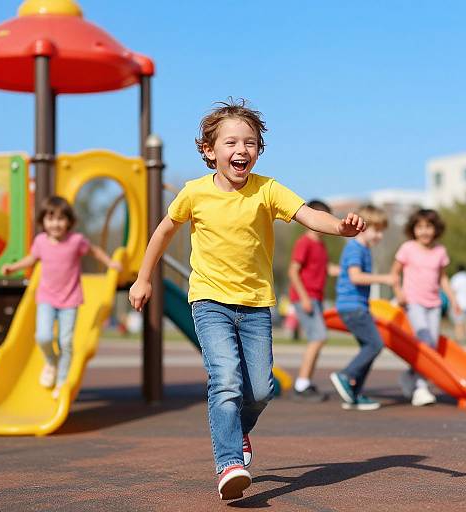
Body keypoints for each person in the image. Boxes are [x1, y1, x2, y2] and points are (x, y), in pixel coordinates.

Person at [128, 99, 365, 501]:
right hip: (209, 302)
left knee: (259, 390)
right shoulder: (194, 194)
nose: (242, 150)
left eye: (251, 143)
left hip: (255, 305)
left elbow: (309, 215)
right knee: (225, 381)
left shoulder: (267, 190)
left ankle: (238, 432)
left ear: (258, 150)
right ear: (209, 150)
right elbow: (164, 232)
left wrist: (341, 229)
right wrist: (142, 278)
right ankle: (229, 462)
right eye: (232, 142)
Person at [1, 196, 121, 399]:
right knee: (43, 336)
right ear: (43, 221)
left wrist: (110, 263)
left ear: (69, 222)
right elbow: (32, 258)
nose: (55, 223)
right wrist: (13, 268)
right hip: (46, 298)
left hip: (70, 300)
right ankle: (51, 362)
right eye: (50, 218)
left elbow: (93, 251)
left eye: (60, 219)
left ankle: (62, 379)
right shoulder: (40, 242)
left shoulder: (75, 241)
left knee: (65, 342)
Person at [391, 208, 460, 406]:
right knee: (424, 341)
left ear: (435, 229)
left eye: (428, 227)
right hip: (413, 301)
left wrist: (453, 299)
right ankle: (421, 388)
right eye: (420, 227)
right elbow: (394, 273)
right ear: (413, 229)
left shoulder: (440, 251)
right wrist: (398, 293)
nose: (424, 231)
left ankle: (409, 375)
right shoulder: (408, 248)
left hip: (434, 304)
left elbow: (443, 278)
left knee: (433, 345)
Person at [330, 205, 395, 411]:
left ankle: (354, 393)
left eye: (381, 230)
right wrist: (384, 278)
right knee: (375, 345)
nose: (379, 235)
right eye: (376, 230)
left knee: (370, 347)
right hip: (352, 306)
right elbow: (355, 277)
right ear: (362, 228)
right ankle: (346, 375)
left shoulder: (363, 249)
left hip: (357, 306)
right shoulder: (355, 248)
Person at [288, 199, 339, 402]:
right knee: (318, 338)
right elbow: (293, 272)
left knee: (317, 339)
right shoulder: (305, 243)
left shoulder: (321, 244)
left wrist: (344, 271)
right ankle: (301, 384)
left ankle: (305, 382)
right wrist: (304, 298)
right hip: (305, 298)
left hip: (316, 297)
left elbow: (324, 269)